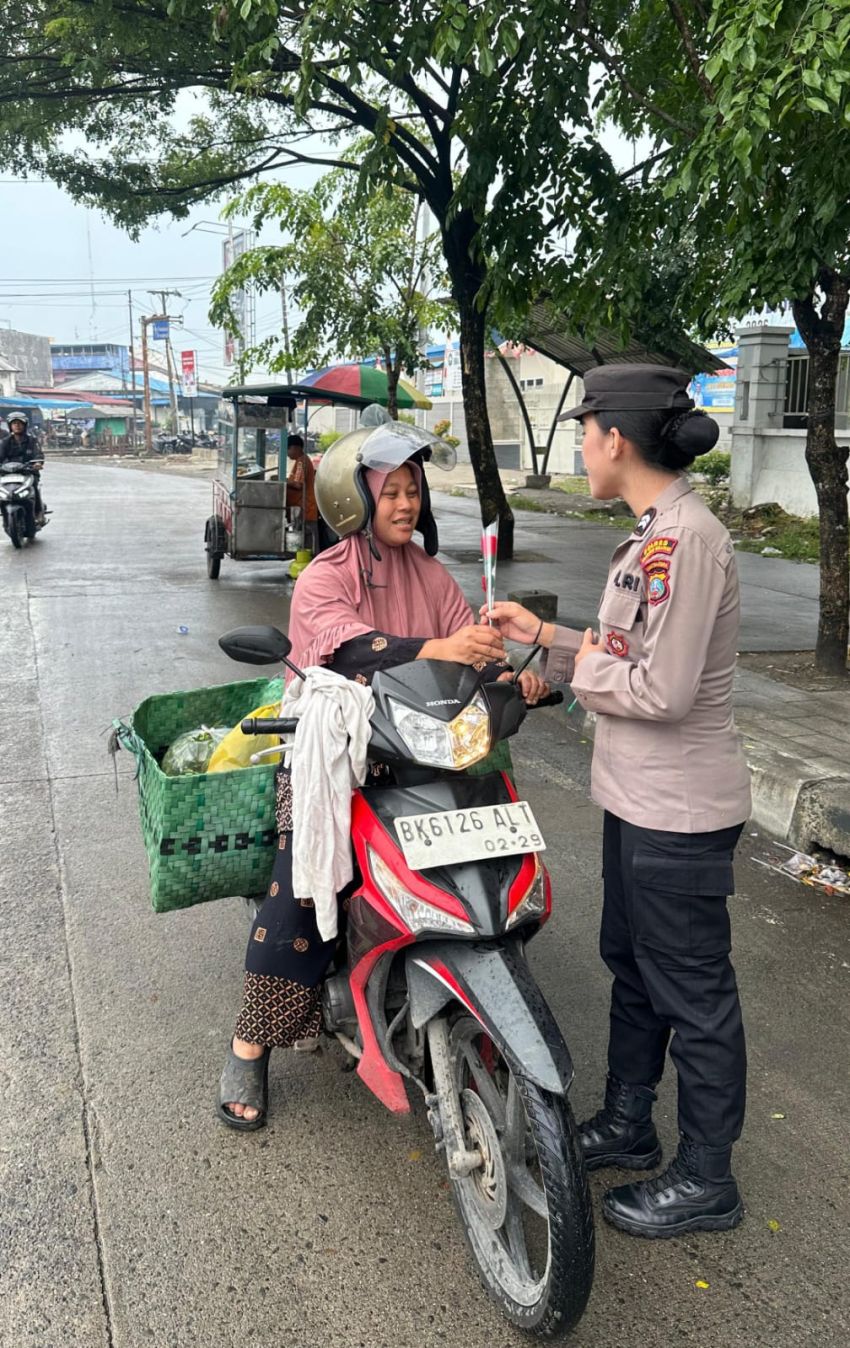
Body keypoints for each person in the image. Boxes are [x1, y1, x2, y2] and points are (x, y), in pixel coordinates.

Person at [218, 420, 548, 1130]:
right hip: (328, 760)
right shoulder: (323, 578)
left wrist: (512, 676)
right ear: (356, 501)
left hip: (421, 749)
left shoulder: (431, 575)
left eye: (413, 490)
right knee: (305, 888)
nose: (404, 504)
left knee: (486, 851)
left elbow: (474, 648)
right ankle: (250, 1043)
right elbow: (347, 649)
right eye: (389, 491)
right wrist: (439, 644)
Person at [485, 365, 752, 1239]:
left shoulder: (688, 541)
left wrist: (576, 673)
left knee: (693, 991)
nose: (581, 446)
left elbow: (662, 688)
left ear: (617, 439)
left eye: (585, 430)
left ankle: (708, 1177)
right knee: (632, 963)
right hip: (639, 801)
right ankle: (630, 1122)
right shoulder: (650, 536)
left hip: (680, 810)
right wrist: (544, 640)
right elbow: (617, 644)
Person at [0, 412, 45, 520]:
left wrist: (37, 463)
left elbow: (38, 454)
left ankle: (38, 512)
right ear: (10, 426)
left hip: (28, 472)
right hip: (8, 473)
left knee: (34, 486)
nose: (17, 426)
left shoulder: (32, 440)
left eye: (20, 423)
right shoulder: (5, 442)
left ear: (25, 425)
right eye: (14, 423)